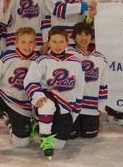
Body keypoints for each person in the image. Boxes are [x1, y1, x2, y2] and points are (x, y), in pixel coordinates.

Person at [24, 26, 84, 159]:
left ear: (67, 43)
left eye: (61, 41)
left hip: (66, 106)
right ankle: (45, 138)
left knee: (59, 144)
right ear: (48, 43)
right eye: (54, 42)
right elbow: (30, 81)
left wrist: (76, 110)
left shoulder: (76, 62)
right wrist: (37, 96)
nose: (57, 45)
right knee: (47, 105)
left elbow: (80, 88)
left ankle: (37, 126)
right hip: (48, 97)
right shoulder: (42, 60)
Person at [0, 27, 39, 151]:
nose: (27, 46)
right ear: (16, 43)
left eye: (31, 42)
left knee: (22, 142)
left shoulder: (39, 60)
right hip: (3, 96)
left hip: (22, 105)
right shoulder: (7, 56)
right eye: (23, 42)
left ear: (35, 43)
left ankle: (10, 121)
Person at [68, 23, 108, 138]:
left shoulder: (100, 58)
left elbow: (103, 84)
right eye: (80, 35)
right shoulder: (68, 54)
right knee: (70, 136)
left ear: (92, 36)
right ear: (74, 37)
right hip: (71, 107)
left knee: (89, 136)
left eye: (87, 34)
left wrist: (101, 105)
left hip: (91, 108)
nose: (84, 38)